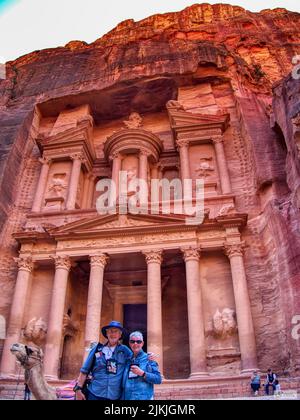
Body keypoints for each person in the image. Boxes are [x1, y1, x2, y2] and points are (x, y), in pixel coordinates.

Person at [74, 321, 131, 400]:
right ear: (107, 334)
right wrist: (78, 389)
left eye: (116, 332)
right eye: (110, 331)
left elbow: (136, 361)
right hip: (94, 393)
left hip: (114, 395)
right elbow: (84, 370)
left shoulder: (125, 351)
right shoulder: (97, 349)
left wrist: (149, 358)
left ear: (120, 335)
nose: (113, 334)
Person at [122, 331, 162, 400]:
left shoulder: (149, 358)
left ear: (142, 343)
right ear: (129, 343)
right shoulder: (127, 360)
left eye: (138, 341)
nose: (135, 343)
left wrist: (143, 373)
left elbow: (158, 379)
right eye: (132, 341)